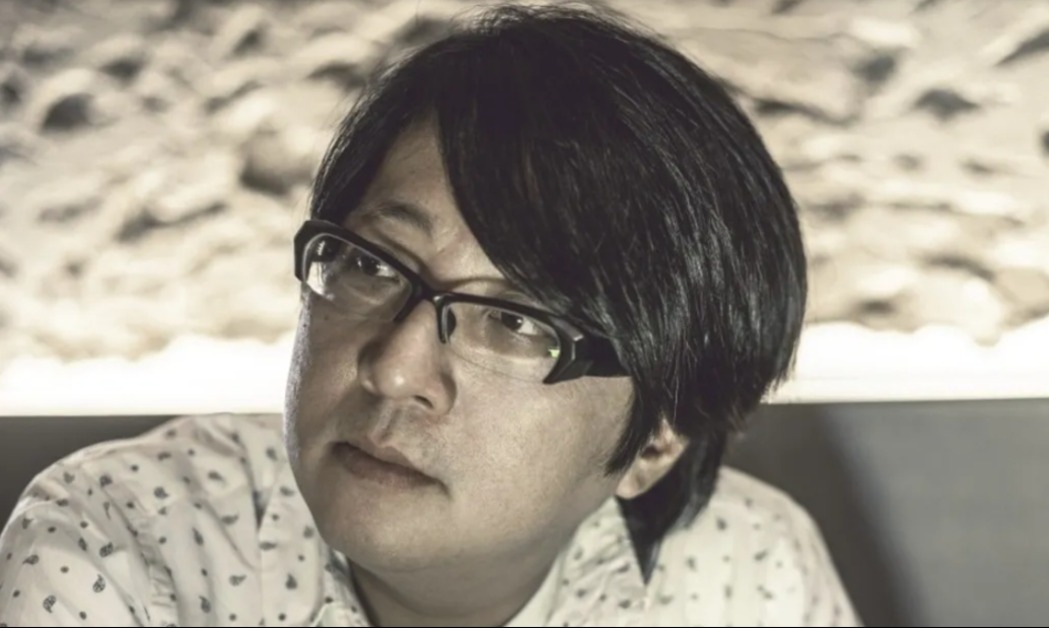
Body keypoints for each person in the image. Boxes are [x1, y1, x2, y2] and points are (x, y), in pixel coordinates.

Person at [0, 4, 858, 626]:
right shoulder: (118, 549)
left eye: (516, 322)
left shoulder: (750, 578)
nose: (395, 368)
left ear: (655, 443)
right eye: (373, 265)